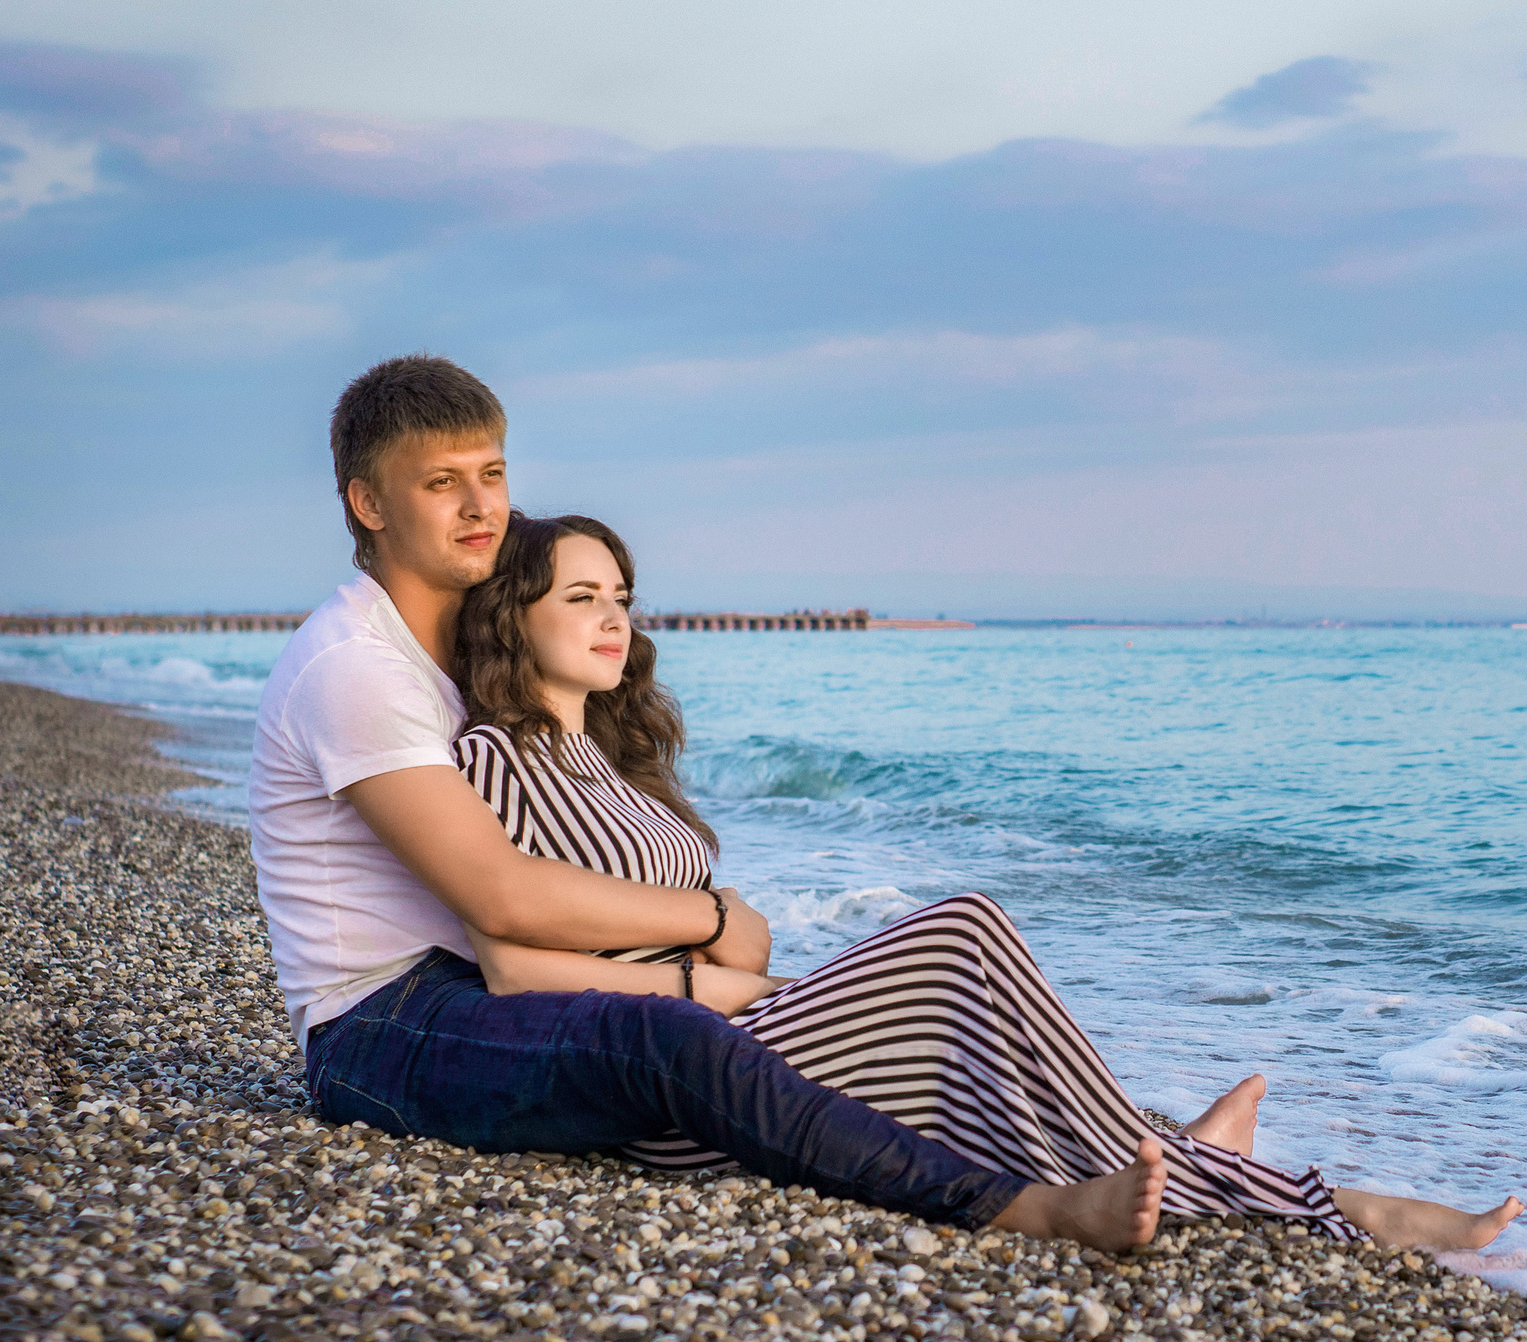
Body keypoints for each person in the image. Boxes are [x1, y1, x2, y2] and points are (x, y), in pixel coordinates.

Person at [252, 356, 1163, 1250]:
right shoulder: (357, 668)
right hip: (380, 1024)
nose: (480, 506)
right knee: (669, 1037)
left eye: (491, 474)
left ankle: (1167, 1159)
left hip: (481, 984)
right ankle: (1019, 1209)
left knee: (886, 989)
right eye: (441, 483)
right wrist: (710, 917)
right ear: (368, 504)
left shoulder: (462, 654)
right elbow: (501, 895)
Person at [446, 510, 1527, 1250]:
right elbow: (513, 968)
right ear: (515, 614)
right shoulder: (497, 756)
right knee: (961, 934)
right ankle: (1331, 1203)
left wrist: (730, 944)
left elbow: (734, 938)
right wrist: (713, 979)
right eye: (580, 594)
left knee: (993, 1067)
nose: (611, 616)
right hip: (676, 1090)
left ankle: (1197, 1167)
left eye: (621, 595)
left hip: (742, 1033)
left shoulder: (620, 762)